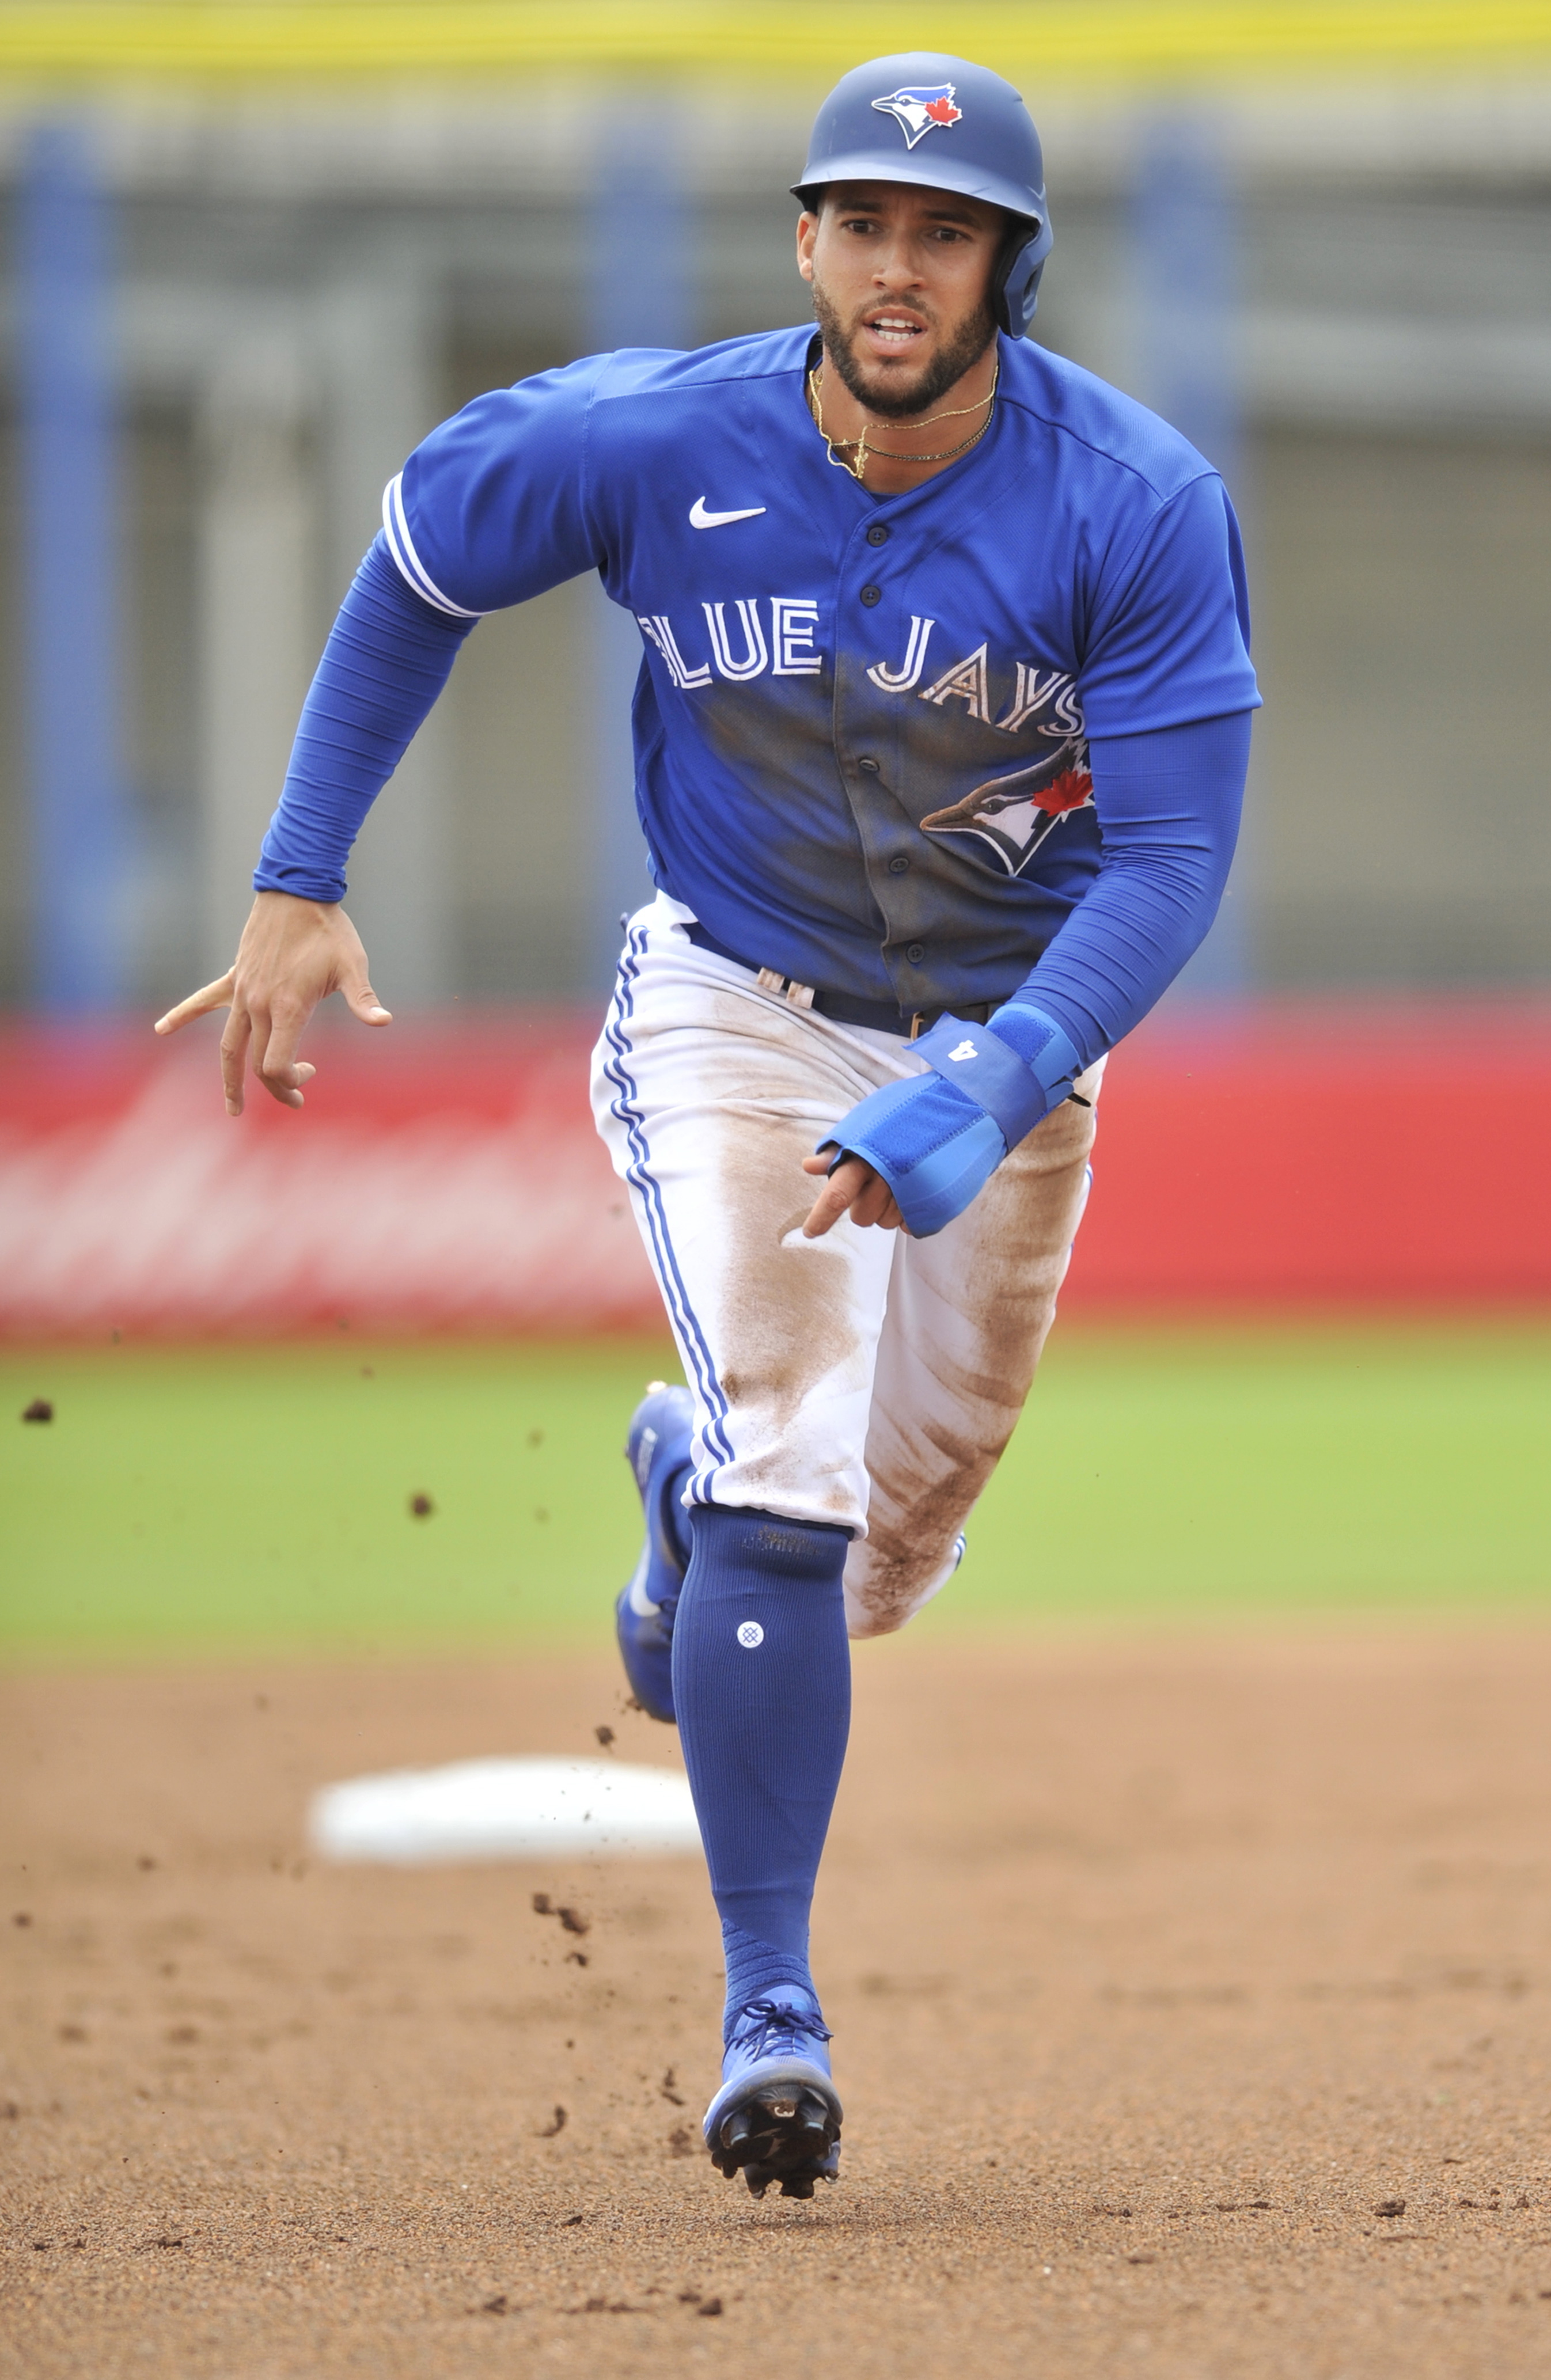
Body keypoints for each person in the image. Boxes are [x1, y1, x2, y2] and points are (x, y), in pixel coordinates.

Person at [157, 52, 1260, 2200]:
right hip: (737, 1005)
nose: (896, 266)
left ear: (1007, 267)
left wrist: (1004, 1068)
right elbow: (414, 567)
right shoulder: (657, 436)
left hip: (1007, 1043)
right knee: (796, 1467)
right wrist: (297, 877)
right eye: (860, 222)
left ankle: (674, 1514)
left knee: (881, 1559)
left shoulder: (1129, 500)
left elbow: (1169, 858)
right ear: (804, 242)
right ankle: (774, 2013)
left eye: (943, 232)